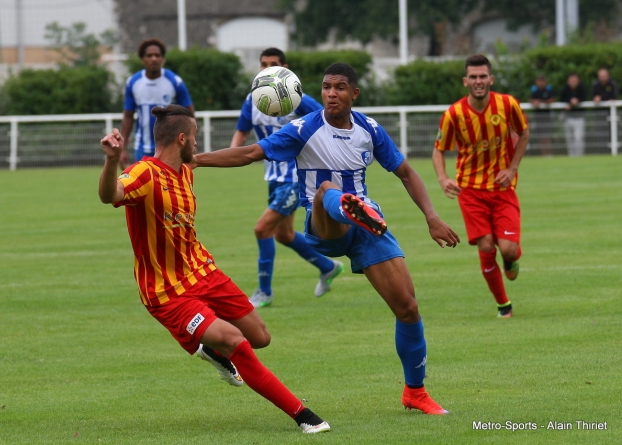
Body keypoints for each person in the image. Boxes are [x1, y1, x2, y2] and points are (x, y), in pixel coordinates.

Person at [191, 63, 460, 415]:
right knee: (326, 190)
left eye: (340, 87)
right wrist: (194, 160)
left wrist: (433, 217)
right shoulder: (303, 128)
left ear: (354, 94)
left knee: (408, 308)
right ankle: (346, 206)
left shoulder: (370, 129)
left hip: (367, 230)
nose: (332, 93)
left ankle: (415, 392)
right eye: (327, 87)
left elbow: (406, 173)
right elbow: (250, 152)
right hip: (323, 226)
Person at [98, 104, 330, 434]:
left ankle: (210, 349)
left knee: (260, 337)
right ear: (182, 139)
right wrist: (110, 160)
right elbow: (111, 195)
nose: (198, 142)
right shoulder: (144, 173)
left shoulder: (187, 170)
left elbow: (232, 158)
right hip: (167, 292)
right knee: (237, 342)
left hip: (204, 272)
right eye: (195, 137)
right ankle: (304, 416)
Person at [232, 48, 343, 307]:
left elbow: (328, 119)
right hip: (273, 178)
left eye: (273, 64)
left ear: (285, 69)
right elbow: (241, 133)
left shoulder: (297, 98)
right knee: (283, 235)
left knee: (262, 229)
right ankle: (328, 267)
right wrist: (231, 157)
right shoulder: (253, 100)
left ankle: (264, 292)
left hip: (296, 177)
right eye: (263, 64)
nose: (267, 68)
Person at [432, 54, 529, 319]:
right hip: (471, 191)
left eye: (482, 76)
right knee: (486, 246)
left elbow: (523, 133)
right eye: (473, 77)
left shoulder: (508, 105)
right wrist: (443, 178)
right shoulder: (454, 114)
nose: (478, 81)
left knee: (508, 248)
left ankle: (510, 259)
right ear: (466, 81)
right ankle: (503, 306)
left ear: (491, 79)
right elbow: (438, 150)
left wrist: (512, 169)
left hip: (502, 189)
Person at [119, 38, 195, 169]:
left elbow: (189, 114)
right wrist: (123, 148)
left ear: (162, 59)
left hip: (171, 147)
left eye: (157, 55)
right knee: (143, 187)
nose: (153, 59)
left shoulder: (175, 82)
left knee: (169, 187)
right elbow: (128, 116)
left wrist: (191, 142)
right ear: (142, 59)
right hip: (142, 147)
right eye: (149, 55)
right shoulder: (133, 82)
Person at [560, 73, 587, 156]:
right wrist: (570, 102)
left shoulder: (582, 89)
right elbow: (562, 99)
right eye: (571, 80)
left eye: (575, 80)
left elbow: (583, 97)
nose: (573, 82)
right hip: (568, 117)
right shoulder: (565, 90)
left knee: (578, 138)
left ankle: (579, 155)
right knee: (569, 138)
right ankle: (571, 155)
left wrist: (576, 101)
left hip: (579, 117)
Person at [529, 75, 555, 156]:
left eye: (542, 81)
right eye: (539, 81)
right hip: (538, 118)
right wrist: (534, 102)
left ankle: (549, 154)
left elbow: (552, 99)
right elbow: (531, 100)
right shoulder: (535, 91)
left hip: (547, 117)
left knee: (547, 137)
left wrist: (542, 102)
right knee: (541, 137)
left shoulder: (549, 90)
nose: (541, 83)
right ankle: (543, 154)